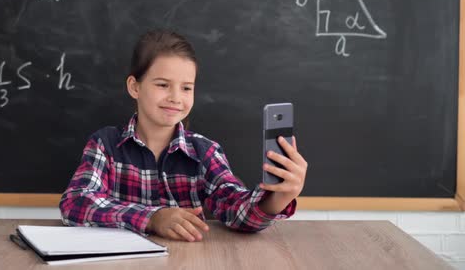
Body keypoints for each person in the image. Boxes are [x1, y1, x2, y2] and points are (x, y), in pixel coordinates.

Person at [59, 30, 307, 242]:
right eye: (163, 85)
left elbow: (234, 207)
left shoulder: (205, 152)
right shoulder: (105, 145)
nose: (176, 97)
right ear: (135, 87)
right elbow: (76, 203)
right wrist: (153, 218)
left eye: (186, 88)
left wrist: (277, 198)